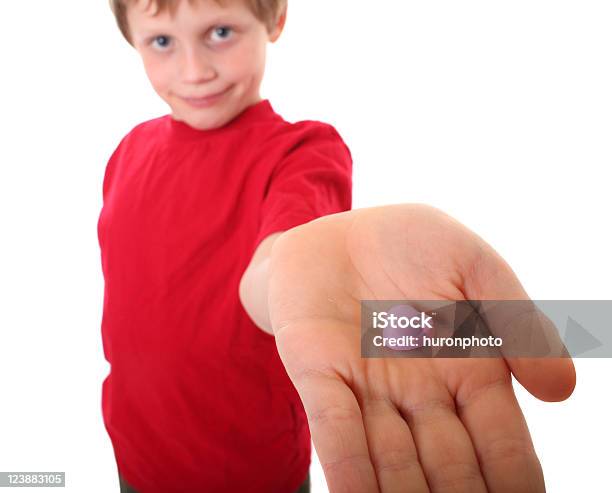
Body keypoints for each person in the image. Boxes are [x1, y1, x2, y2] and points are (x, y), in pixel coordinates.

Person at [100, 1, 576, 492]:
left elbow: (274, 279)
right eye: (161, 42)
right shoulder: (128, 151)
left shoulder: (301, 153)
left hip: (248, 471)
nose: (194, 70)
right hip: (136, 456)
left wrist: (296, 276)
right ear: (132, 38)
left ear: (275, 19)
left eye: (221, 32)